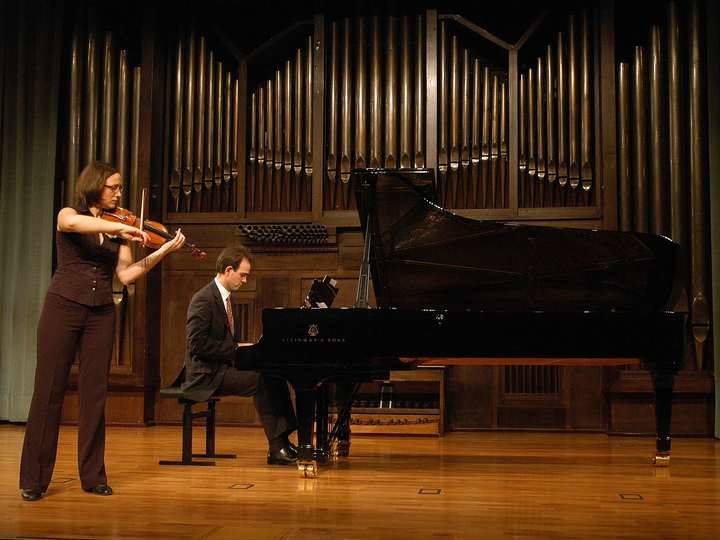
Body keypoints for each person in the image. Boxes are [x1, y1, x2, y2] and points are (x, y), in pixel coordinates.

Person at [19, 161, 186, 502]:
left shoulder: (118, 226)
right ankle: (33, 480)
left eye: (121, 187)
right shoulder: (72, 214)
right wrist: (115, 229)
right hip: (62, 306)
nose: (119, 193)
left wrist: (163, 249)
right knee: (48, 391)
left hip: (101, 314)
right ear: (96, 185)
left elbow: (126, 276)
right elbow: (71, 223)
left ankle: (93, 475)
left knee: (95, 396)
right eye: (114, 187)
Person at [182, 245, 298, 465]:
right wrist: (236, 349)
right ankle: (276, 448)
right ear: (228, 270)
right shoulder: (203, 299)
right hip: (205, 374)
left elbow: (221, 341)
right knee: (261, 381)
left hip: (221, 368)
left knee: (273, 373)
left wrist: (244, 346)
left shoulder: (223, 297)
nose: (245, 280)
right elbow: (196, 345)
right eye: (243, 275)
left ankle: (283, 439)